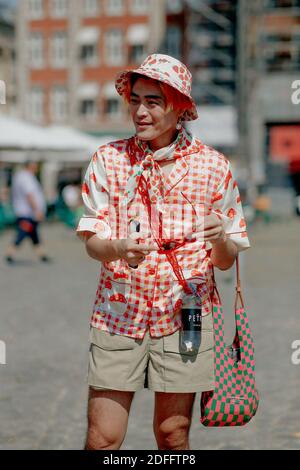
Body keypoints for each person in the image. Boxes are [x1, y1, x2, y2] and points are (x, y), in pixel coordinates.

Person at [76, 54, 250, 450]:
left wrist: (220, 236)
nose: (140, 111)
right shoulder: (109, 159)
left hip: (184, 317)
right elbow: (93, 244)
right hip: (119, 315)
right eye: (135, 99)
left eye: (153, 101)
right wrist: (118, 247)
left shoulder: (213, 167)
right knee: (102, 437)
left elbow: (224, 261)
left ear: (180, 106)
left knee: (173, 436)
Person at [5, 161, 50, 264]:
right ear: (31, 166)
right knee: (23, 233)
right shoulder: (26, 178)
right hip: (27, 212)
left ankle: (42, 254)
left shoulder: (20, 176)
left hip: (25, 211)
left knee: (33, 234)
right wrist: (37, 210)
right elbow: (29, 194)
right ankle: (10, 253)